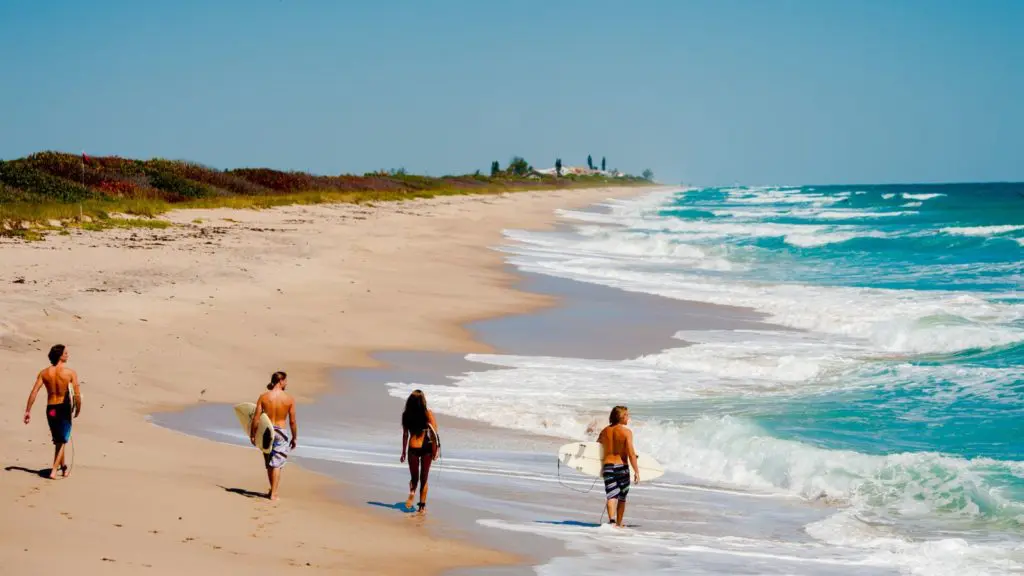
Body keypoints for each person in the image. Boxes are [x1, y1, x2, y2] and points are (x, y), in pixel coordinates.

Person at [23, 344, 82, 479]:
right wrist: (78, 409)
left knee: (58, 440)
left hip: (51, 410)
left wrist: (28, 410)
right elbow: (77, 395)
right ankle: (54, 471)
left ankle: (64, 468)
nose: (68, 355)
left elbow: (34, 392)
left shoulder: (44, 373)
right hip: (63, 408)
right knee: (62, 440)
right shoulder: (70, 373)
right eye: (66, 353)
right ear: (60, 356)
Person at [250, 371, 297, 501]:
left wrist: (253, 434)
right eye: (285, 381)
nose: (286, 383)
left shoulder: (264, 397)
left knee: (269, 462)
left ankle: (272, 490)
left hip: (266, 430)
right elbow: (292, 421)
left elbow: (256, 418)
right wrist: (294, 437)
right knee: (276, 463)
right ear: (280, 381)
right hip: (281, 432)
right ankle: (274, 494)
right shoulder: (289, 399)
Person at [597, 405, 639, 527]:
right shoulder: (626, 432)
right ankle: (619, 523)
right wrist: (636, 471)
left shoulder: (605, 431)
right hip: (622, 467)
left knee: (611, 495)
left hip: (608, 467)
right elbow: (630, 453)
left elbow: (597, 448)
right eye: (627, 415)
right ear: (621, 417)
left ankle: (612, 521)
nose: (628, 418)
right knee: (622, 497)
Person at [400, 389, 439, 513]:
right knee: (424, 479)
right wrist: (435, 450)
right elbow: (434, 434)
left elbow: (405, 435)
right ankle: (422, 506)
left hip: (413, 448)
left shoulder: (406, 415)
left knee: (414, 478)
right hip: (426, 448)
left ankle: (412, 492)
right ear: (423, 401)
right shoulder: (428, 414)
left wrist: (403, 452)